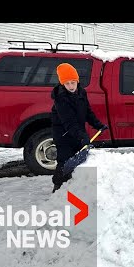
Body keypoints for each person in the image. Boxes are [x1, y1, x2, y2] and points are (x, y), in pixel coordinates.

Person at [51, 62, 107, 193]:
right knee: (65, 161)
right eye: (67, 83)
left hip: (76, 132)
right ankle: (57, 188)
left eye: (73, 82)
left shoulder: (81, 93)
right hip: (63, 134)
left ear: (77, 81)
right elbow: (69, 122)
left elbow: (87, 111)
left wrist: (97, 124)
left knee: (78, 160)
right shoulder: (60, 98)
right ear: (62, 84)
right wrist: (82, 136)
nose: (71, 86)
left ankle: (73, 187)